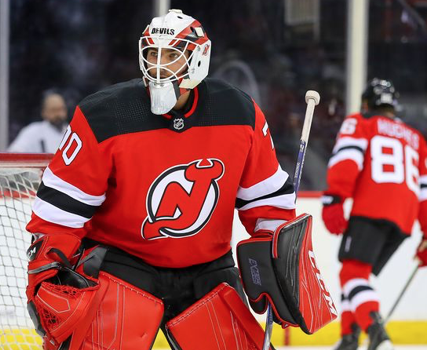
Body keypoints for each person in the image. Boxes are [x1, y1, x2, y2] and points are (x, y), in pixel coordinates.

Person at [25, 10, 333, 350]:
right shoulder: (104, 116)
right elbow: (59, 212)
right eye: (152, 53)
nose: (159, 64)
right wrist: (45, 275)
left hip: (207, 270)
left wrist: (278, 261)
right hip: (123, 264)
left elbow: (267, 205)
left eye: (171, 54)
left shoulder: (239, 113)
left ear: (198, 57)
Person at [322, 78, 427, 350]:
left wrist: (334, 198)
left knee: (352, 274)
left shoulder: (361, 122)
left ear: (367, 104)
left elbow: (347, 160)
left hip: (372, 208)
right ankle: (349, 338)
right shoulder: (416, 138)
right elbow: (424, 189)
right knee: (358, 273)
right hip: (403, 219)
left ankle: (376, 333)